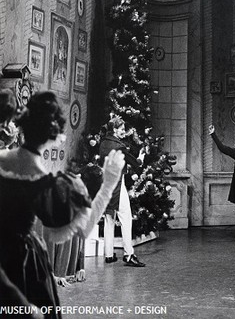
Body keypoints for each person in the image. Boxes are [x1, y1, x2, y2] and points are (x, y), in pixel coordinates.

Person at [0, 91, 125, 317]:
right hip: (22, 266)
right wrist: (109, 184)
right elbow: (84, 229)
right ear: (55, 135)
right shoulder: (43, 182)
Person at [99, 116, 146, 267]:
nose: (124, 132)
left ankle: (108, 255)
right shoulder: (118, 146)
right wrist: (141, 157)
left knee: (109, 218)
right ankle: (129, 254)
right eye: (121, 129)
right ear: (114, 129)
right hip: (118, 184)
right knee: (126, 218)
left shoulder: (103, 143)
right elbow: (137, 164)